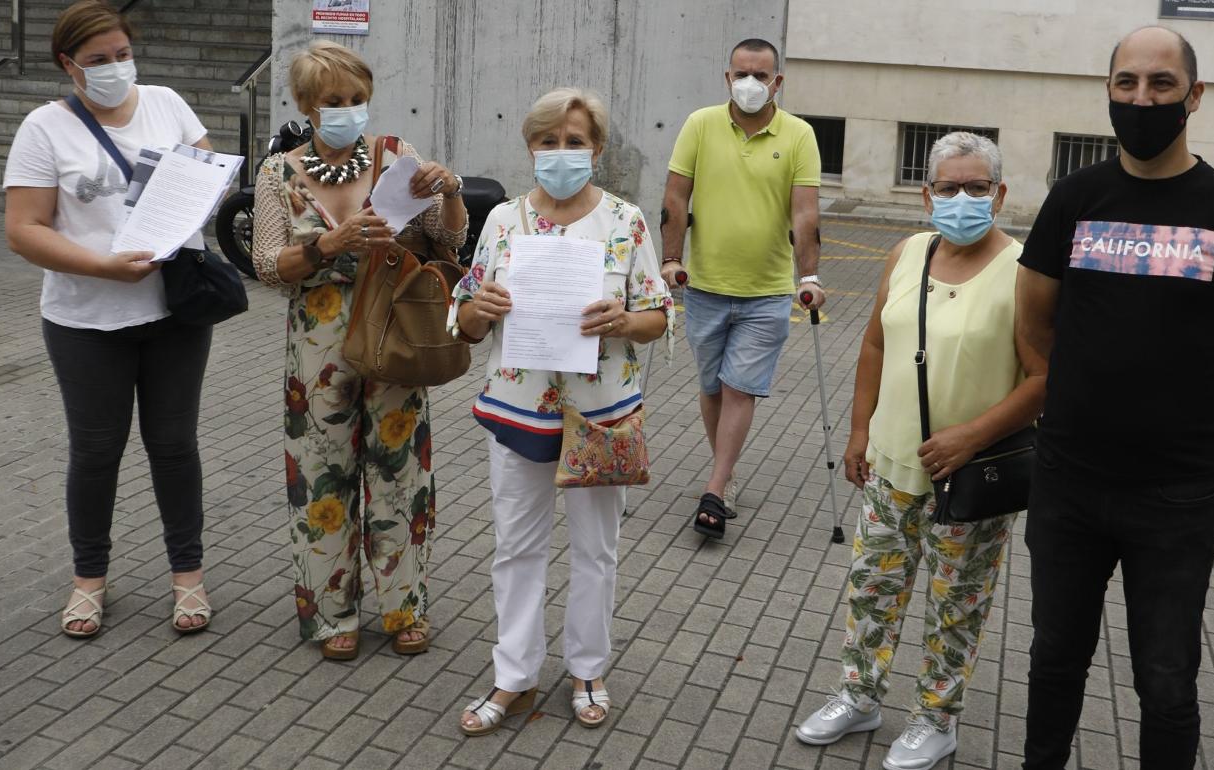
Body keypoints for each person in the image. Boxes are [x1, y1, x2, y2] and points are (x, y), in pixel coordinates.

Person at [1018, 27, 1214, 770]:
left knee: (1168, 682)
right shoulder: (1076, 196)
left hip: (1177, 495)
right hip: (1070, 484)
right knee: (1054, 662)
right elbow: (1033, 319)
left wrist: (1203, 404)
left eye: (1161, 85)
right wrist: (1077, 396)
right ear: (1109, 91)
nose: (1142, 99)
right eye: (1127, 84)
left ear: (1194, 97)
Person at [795, 132, 1044, 770]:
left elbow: (1046, 378)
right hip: (890, 464)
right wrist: (859, 430)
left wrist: (971, 437)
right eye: (950, 187)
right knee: (872, 588)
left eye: (978, 187)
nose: (963, 198)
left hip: (971, 476)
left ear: (1001, 194)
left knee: (956, 603)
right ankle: (859, 694)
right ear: (927, 194)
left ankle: (936, 718)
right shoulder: (907, 251)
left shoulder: (1024, 271)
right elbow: (876, 343)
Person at [449, 87, 672, 736]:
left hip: (599, 414)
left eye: (575, 141)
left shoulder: (625, 221)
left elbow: (659, 315)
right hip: (518, 412)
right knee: (515, 547)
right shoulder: (503, 222)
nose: (562, 153)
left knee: (595, 551)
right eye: (549, 141)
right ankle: (513, 675)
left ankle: (587, 669)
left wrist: (625, 319)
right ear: (531, 147)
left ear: (596, 149)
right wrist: (475, 313)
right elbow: (463, 321)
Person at [3, 0, 217, 639]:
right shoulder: (44, 129)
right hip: (85, 318)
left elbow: (207, 179)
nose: (116, 68)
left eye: (122, 54)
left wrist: (194, 199)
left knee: (174, 446)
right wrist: (103, 266)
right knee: (96, 450)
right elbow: (22, 230)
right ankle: (89, 582)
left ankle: (189, 580)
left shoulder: (167, 103)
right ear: (69, 65)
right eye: (99, 61)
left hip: (174, 311)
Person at [251, 41, 468, 660]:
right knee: (322, 478)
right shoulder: (278, 173)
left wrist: (449, 190)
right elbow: (267, 265)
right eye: (333, 101)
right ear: (307, 106)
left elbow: (447, 237)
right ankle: (332, 614)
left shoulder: (395, 157)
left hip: (393, 334)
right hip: (318, 355)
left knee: (401, 472)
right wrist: (329, 242)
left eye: (357, 99)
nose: (348, 110)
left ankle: (404, 608)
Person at [661, 37, 825, 539]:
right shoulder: (700, 124)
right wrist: (670, 260)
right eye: (741, 74)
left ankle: (715, 487)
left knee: (739, 387)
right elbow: (675, 194)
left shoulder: (799, 134)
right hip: (706, 285)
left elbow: (804, 211)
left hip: (768, 291)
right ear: (727, 77)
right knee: (712, 387)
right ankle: (726, 472)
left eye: (761, 75)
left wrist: (810, 276)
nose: (751, 83)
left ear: (778, 82)